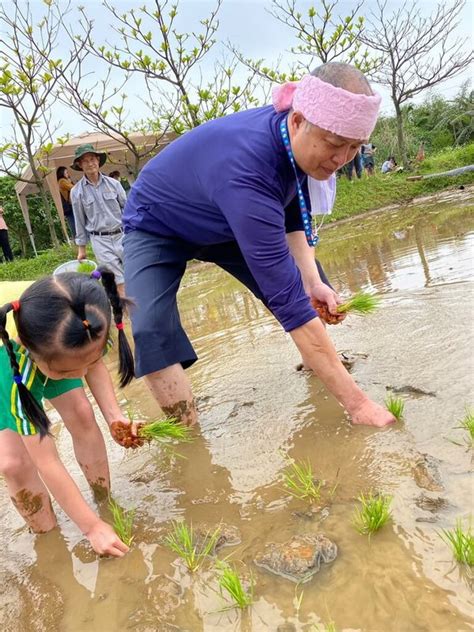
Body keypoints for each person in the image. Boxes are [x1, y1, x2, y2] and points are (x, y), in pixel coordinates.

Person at [122, 62, 396, 429]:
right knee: (150, 327)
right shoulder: (249, 170)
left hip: (226, 219)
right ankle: (187, 433)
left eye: (354, 147)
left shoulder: (296, 143)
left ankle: (320, 371)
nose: (342, 160)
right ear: (298, 122)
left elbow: (291, 213)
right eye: (334, 144)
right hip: (159, 222)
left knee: (308, 286)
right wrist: (360, 406)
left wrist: (313, 280)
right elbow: (288, 302)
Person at [0, 268, 141, 557]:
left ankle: (105, 501)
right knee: (14, 463)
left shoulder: (82, 317)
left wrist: (115, 418)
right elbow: (47, 460)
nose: (79, 375)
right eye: (67, 372)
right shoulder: (19, 370)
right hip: (5, 357)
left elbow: (93, 364)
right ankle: (48, 541)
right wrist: (90, 528)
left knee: (81, 411)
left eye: (85, 364)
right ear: (31, 352)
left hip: (48, 336)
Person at [70, 144, 127, 295]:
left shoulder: (114, 184)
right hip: (100, 240)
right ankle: (130, 313)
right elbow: (79, 220)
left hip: (122, 235)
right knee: (117, 278)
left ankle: (143, 306)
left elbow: (127, 209)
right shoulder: (76, 192)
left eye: (92, 159)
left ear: (98, 161)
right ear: (80, 165)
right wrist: (81, 248)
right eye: (86, 161)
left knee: (134, 271)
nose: (90, 163)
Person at [56, 166, 76, 238]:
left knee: (73, 222)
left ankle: (77, 239)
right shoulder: (62, 181)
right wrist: (70, 181)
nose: (68, 174)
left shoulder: (62, 181)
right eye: (66, 172)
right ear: (62, 173)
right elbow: (73, 188)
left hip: (69, 206)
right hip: (69, 206)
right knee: (74, 223)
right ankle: (77, 239)